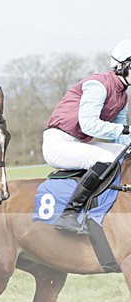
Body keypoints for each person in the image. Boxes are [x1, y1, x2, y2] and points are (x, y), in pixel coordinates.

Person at [43, 39, 131, 233]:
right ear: (123, 66)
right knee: (106, 158)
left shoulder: (123, 96)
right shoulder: (98, 84)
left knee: (121, 154)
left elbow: (120, 139)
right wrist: (124, 130)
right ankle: (69, 214)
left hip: (77, 143)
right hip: (58, 142)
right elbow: (89, 125)